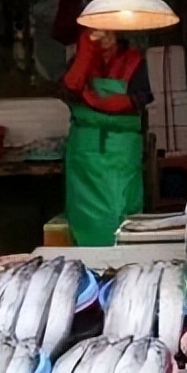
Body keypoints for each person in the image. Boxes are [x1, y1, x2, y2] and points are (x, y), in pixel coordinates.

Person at [60, 28, 154, 246]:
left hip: (120, 150)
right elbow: (69, 89)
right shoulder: (80, 60)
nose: (103, 36)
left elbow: (141, 98)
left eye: (108, 32)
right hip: (84, 154)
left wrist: (95, 102)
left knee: (119, 210)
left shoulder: (134, 61)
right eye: (95, 31)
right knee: (83, 216)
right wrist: (87, 49)